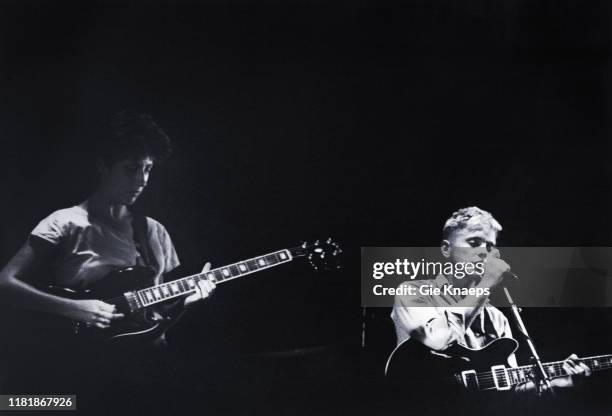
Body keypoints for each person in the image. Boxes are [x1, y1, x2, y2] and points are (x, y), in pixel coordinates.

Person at [0, 111, 216, 413]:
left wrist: (187, 302)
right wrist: (77, 308)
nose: (141, 180)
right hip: (83, 376)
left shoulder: (154, 231)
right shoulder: (65, 223)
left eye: (148, 169)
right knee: (15, 408)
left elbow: (154, 314)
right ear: (103, 166)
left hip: (148, 376)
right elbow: (4, 286)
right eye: (130, 169)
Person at [391, 206, 591, 396]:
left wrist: (559, 382)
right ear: (446, 249)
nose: (483, 252)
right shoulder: (413, 291)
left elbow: (508, 387)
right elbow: (439, 339)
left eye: (490, 246)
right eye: (474, 242)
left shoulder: (496, 317)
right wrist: (486, 284)